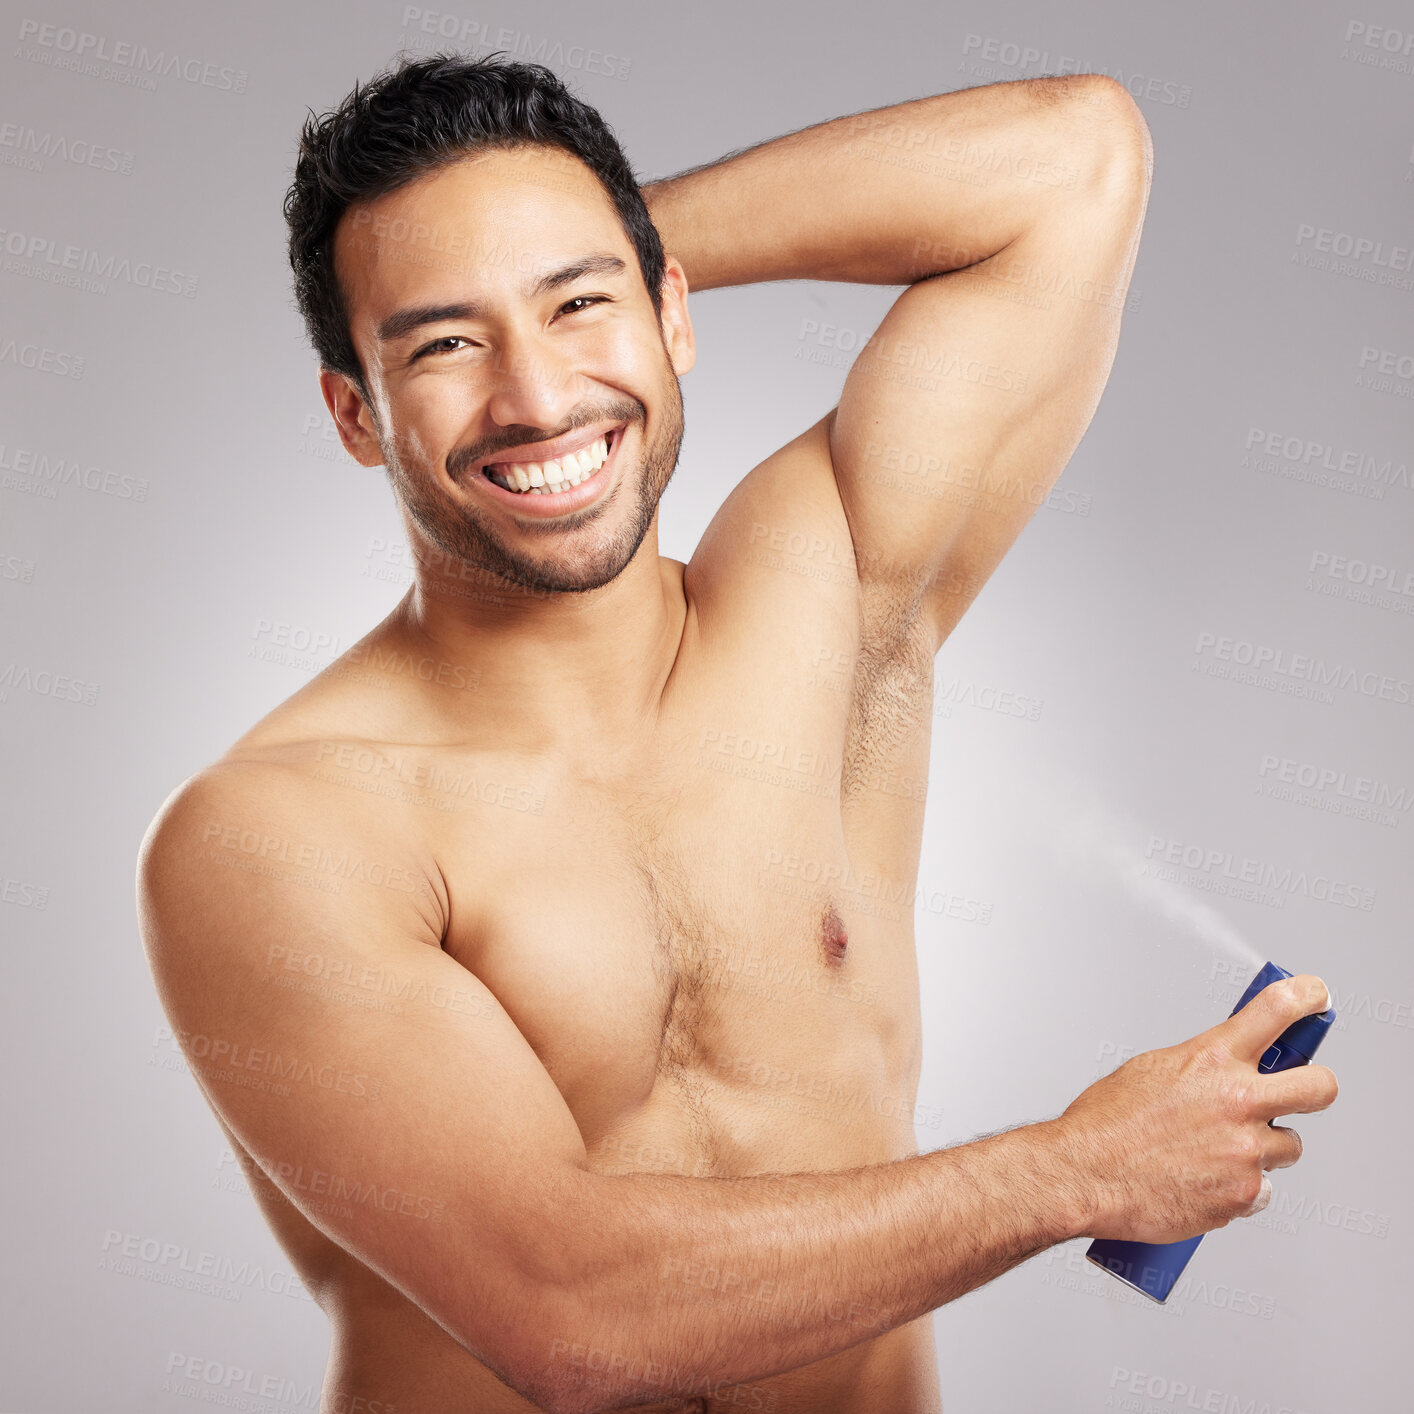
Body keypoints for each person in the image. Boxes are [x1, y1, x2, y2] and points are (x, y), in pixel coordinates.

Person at [136, 51, 1337, 1414]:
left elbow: (1071, 160)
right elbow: (567, 1309)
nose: (535, 398)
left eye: (580, 308)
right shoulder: (277, 832)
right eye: (443, 344)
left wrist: (576, 243)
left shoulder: (828, 604)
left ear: (671, 316)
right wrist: (1073, 1168)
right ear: (355, 412)